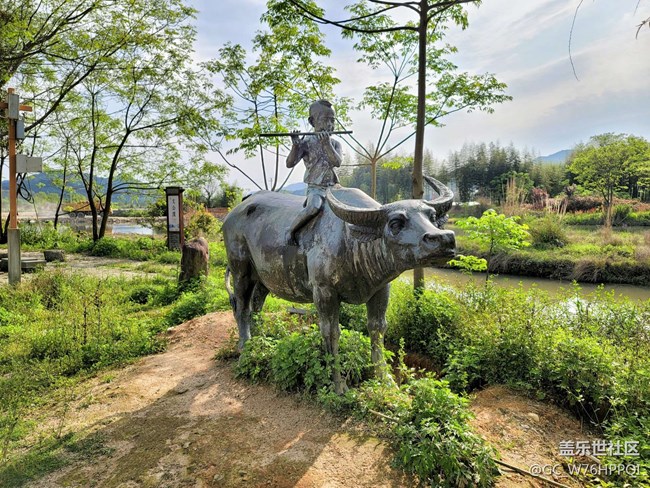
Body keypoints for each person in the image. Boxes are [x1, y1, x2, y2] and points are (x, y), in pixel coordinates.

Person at [286, 99, 342, 245]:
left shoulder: (335, 144)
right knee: (314, 207)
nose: (329, 125)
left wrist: (327, 144)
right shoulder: (306, 142)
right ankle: (291, 230)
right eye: (325, 120)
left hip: (334, 188)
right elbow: (290, 163)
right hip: (316, 188)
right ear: (312, 122)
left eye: (332, 121)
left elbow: (337, 162)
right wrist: (295, 146)